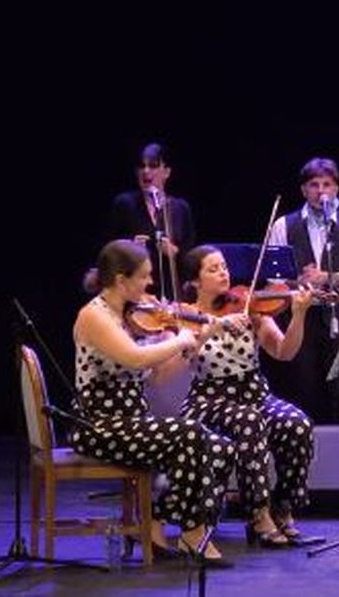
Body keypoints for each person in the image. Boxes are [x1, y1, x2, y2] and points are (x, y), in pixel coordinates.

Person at [70, 240, 233, 566]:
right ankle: (192, 532)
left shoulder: (125, 315)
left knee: (222, 448)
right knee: (189, 433)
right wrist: (179, 339)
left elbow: (155, 377)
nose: (149, 285)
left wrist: (194, 341)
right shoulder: (94, 316)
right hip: (100, 426)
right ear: (121, 280)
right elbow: (134, 359)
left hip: (132, 421)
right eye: (144, 277)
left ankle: (156, 520)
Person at [180, 245, 319, 548]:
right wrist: (212, 327)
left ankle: (283, 507)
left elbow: (285, 352)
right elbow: (175, 362)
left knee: (297, 424)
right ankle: (258, 514)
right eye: (213, 269)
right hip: (209, 399)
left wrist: (298, 314)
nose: (223, 273)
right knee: (250, 421)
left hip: (255, 393)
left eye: (225, 267)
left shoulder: (248, 307)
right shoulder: (188, 316)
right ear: (194, 281)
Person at [265, 157, 339, 423]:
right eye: (314, 185)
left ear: (336, 189)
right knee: (301, 384)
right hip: (299, 316)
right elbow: (275, 277)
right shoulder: (283, 225)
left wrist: (325, 276)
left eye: (327, 184)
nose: (321, 191)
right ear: (303, 190)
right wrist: (298, 283)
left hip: (338, 315)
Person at [105, 143, 196, 301]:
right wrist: (131, 248)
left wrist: (174, 252)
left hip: (171, 292)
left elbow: (191, 258)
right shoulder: (125, 204)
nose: (146, 171)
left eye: (153, 166)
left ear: (166, 172)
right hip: (134, 292)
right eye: (142, 166)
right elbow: (109, 249)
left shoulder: (180, 208)